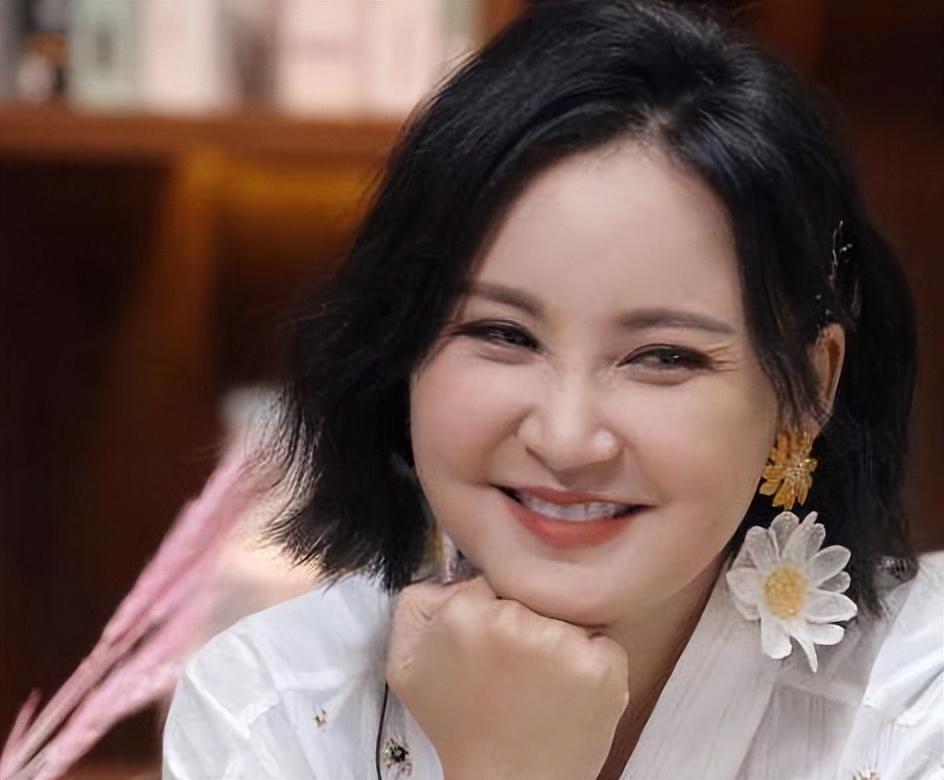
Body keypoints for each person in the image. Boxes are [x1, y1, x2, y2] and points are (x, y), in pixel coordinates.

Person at [162, 1, 943, 778]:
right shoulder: (267, 710)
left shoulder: (920, 701)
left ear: (809, 385)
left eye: (662, 356)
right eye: (503, 335)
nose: (567, 439)